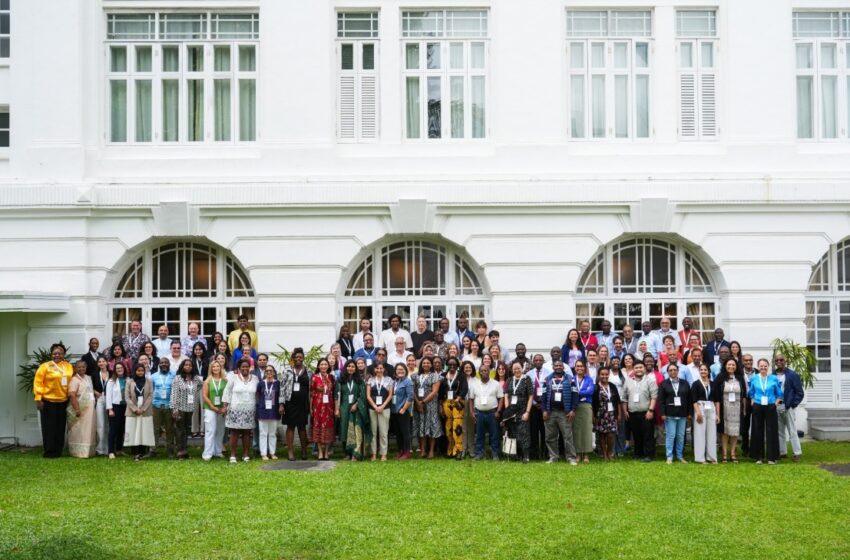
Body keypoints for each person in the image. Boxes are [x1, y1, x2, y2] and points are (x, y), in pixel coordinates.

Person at [34, 343, 74, 459]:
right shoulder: (44, 366)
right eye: (55, 353)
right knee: (49, 427)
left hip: (63, 401)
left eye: (60, 353)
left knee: (60, 427)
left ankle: (58, 450)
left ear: (63, 354)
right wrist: (38, 399)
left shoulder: (68, 366)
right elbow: (38, 383)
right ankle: (49, 451)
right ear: (51, 354)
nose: (57, 355)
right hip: (48, 401)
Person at [221, 358, 259, 463]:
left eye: (247, 366)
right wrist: (225, 406)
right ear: (239, 368)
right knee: (234, 432)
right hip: (235, 409)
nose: (245, 368)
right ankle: (233, 455)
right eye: (243, 367)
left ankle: (245, 454)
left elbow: (258, 394)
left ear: (250, 368)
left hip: (249, 410)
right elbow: (227, 392)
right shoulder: (233, 378)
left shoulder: (255, 379)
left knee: (247, 433)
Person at [748, 358, 784, 465]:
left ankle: (771, 457)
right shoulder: (754, 378)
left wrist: (776, 403)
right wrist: (752, 400)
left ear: (768, 367)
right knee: (757, 430)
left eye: (765, 366)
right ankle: (758, 457)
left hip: (770, 406)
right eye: (761, 366)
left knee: (771, 431)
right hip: (758, 406)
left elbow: (779, 393)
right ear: (758, 367)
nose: (763, 368)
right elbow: (751, 392)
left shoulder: (773, 378)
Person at [620, 363, 657, 462]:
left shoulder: (650, 381)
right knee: (636, 435)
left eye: (640, 367)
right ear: (633, 369)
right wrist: (625, 411)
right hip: (632, 413)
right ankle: (638, 454)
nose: (638, 369)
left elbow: (654, 397)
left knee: (648, 435)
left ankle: (648, 455)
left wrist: (651, 410)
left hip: (646, 412)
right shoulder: (628, 381)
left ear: (644, 369)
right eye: (636, 368)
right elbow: (624, 398)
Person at [543, 360, 578, 465]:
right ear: (553, 367)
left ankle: (571, 458)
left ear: (563, 367)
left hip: (565, 412)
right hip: (551, 412)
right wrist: (544, 410)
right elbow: (543, 396)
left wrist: (573, 410)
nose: (558, 367)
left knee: (567, 436)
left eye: (560, 365)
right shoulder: (547, 379)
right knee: (550, 436)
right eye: (556, 365)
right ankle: (553, 457)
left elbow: (575, 395)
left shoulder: (570, 379)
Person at [336, 360, 370, 461]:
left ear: (355, 369)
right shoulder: (340, 380)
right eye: (349, 366)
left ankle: (355, 452)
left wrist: (356, 404)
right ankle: (346, 453)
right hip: (344, 407)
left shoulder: (359, 381)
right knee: (344, 429)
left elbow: (363, 395)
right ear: (345, 368)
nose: (350, 368)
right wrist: (337, 409)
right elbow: (337, 396)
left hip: (356, 408)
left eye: (353, 367)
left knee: (356, 429)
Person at [714, 357, 746, 463]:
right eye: (729, 364)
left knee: (735, 431)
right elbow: (716, 397)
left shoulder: (740, 378)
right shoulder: (720, 377)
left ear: (736, 366)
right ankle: (724, 453)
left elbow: (744, 395)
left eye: (733, 365)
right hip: (724, 408)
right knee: (725, 431)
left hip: (737, 408)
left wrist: (744, 409)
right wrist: (717, 412)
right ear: (725, 366)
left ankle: (732, 453)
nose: (731, 366)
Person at [773, 353, 804, 462]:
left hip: (788, 406)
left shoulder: (792, 375)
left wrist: (792, 404)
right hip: (776, 406)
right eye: (777, 360)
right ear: (775, 362)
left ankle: (797, 453)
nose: (779, 362)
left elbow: (799, 392)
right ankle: (782, 452)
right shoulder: (772, 375)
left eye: (781, 360)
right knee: (779, 431)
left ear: (785, 361)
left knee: (792, 431)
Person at [468, 365, 504, 460]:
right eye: (482, 371)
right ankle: (479, 453)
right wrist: (472, 412)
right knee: (479, 435)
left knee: (494, 435)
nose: (484, 372)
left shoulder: (496, 384)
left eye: (486, 370)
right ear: (479, 373)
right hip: (479, 413)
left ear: (489, 372)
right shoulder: (474, 385)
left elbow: (501, 398)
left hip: (492, 413)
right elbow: (471, 399)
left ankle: (495, 454)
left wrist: (498, 411)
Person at [658, 363, 691, 464]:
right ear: (667, 372)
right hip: (669, 414)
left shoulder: (685, 383)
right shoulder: (664, 384)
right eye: (670, 370)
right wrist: (663, 413)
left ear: (678, 371)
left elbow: (689, 399)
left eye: (674, 370)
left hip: (682, 413)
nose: (673, 372)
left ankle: (680, 456)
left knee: (680, 435)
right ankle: (669, 456)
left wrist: (689, 413)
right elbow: (661, 400)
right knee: (671, 435)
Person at [171, 359, 203, 460]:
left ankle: (185, 450)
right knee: (180, 430)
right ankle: (179, 451)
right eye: (186, 365)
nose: (188, 366)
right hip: (180, 407)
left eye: (190, 365)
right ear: (182, 366)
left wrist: (192, 395)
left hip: (190, 407)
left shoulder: (196, 379)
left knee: (187, 429)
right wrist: (174, 408)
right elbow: (174, 393)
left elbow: (200, 386)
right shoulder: (178, 378)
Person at [282, 348, 310, 460]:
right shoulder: (287, 370)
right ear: (293, 358)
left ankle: (304, 451)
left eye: (300, 357)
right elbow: (282, 387)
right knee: (290, 426)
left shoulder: (308, 371)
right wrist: (281, 404)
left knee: (302, 427)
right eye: (296, 357)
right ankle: (290, 451)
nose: (299, 358)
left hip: (303, 403)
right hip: (290, 403)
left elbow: (310, 388)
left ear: (303, 358)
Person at [413, 357, 443, 458]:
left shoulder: (435, 376)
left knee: (431, 427)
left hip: (431, 406)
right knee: (421, 426)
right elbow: (412, 390)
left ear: (431, 365)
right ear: (421, 365)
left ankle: (431, 451)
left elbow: (434, 391)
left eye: (428, 363)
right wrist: (418, 402)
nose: (425, 364)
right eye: (424, 363)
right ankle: (423, 450)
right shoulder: (416, 376)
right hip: (418, 406)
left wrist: (423, 402)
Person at [124, 364, 155, 462]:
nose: (140, 372)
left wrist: (143, 408)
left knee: (144, 430)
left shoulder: (149, 381)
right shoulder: (130, 381)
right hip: (133, 410)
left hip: (145, 410)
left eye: (142, 370)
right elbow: (127, 397)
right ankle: (135, 452)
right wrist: (135, 409)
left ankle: (143, 452)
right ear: (135, 371)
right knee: (133, 430)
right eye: (138, 370)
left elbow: (150, 395)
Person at [66, 361, 97, 458]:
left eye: (83, 367)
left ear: (86, 368)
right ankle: (78, 452)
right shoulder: (74, 380)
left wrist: (97, 393)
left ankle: (89, 452)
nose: (81, 369)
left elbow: (90, 390)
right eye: (79, 367)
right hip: (80, 408)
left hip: (90, 410)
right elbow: (72, 395)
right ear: (75, 368)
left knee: (89, 429)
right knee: (78, 429)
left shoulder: (88, 378)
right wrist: (77, 410)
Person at [691, 363, 719, 464]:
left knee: (711, 434)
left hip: (711, 407)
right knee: (699, 433)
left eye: (705, 370)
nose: (703, 371)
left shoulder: (713, 384)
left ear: (708, 371)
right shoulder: (695, 384)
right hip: (700, 406)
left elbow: (717, 400)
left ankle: (711, 457)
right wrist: (698, 413)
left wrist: (717, 415)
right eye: (701, 370)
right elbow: (693, 400)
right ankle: (700, 458)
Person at [440, 357, 468, 460]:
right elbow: (440, 391)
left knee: (457, 427)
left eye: (454, 365)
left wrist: (459, 398)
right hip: (446, 402)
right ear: (447, 365)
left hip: (457, 403)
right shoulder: (443, 376)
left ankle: (459, 450)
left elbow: (465, 388)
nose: (452, 367)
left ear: (457, 366)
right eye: (450, 365)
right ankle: (450, 448)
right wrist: (440, 406)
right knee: (448, 427)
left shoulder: (461, 376)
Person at [592, 366, 621, 461]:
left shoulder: (612, 386)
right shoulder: (595, 387)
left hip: (612, 414)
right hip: (600, 414)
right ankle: (604, 454)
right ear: (599, 375)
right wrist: (593, 416)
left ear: (608, 375)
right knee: (601, 435)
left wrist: (619, 414)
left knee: (610, 435)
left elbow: (618, 401)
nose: (604, 376)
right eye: (602, 374)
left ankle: (609, 452)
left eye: (606, 374)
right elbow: (593, 403)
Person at [366, 362, 393, 461]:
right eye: (377, 368)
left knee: (383, 432)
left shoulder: (388, 380)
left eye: (381, 368)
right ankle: (373, 453)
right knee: (373, 432)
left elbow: (390, 395)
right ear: (374, 370)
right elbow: (368, 395)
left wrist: (382, 406)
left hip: (384, 409)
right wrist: (375, 406)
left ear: (384, 369)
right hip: (372, 409)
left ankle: (383, 453)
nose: (379, 370)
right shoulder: (370, 380)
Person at [310, 358, 336, 460]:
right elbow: (311, 393)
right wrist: (311, 408)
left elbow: (334, 393)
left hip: (329, 406)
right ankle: (320, 451)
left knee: (328, 427)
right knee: (318, 427)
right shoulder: (314, 377)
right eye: (322, 364)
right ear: (318, 366)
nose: (324, 366)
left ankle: (326, 452)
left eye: (326, 364)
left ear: (328, 366)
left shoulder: (332, 377)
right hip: (317, 405)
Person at [201, 360, 227, 461]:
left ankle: (218, 451)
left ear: (220, 368)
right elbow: (204, 396)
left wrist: (224, 407)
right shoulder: (207, 381)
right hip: (210, 409)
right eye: (213, 367)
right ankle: (207, 453)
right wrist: (212, 407)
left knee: (220, 431)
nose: (216, 368)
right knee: (210, 430)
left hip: (221, 409)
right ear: (211, 368)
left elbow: (227, 395)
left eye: (217, 366)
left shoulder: (225, 381)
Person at [526, 354, 550, 460]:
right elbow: (527, 391)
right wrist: (535, 403)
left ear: (543, 361)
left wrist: (544, 404)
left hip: (545, 407)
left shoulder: (549, 373)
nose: (538, 361)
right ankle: (534, 455)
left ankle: (545, 454)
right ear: (533, 362)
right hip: (533, 407)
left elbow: (550, 390)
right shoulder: (528, 374)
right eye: (536, 360)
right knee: (533, 431)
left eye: (540, 360)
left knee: (545, 431)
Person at [151, 357, 176, 458]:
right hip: (156, 405)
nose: (164, 364)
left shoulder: (174, 375)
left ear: (169, 364)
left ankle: (170, 450)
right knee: (155, 428)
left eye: (166, 362)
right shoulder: (153, 376)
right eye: (162, 363)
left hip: (169, 405)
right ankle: (153, 449)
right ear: (159, 365)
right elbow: (151, 390)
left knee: (170, 429)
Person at [572, 359, 595, 463]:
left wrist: (577, 392)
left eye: (581, 366)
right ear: (575, 368)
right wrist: (581, 392)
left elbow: (590, 391)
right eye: (577, 366)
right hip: (575, 407)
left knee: (586, 430)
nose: (579, 368)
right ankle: (577, 454)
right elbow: (570, 391)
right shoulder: (572, 379)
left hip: (586, 406)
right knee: (576, 430)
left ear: (584, 368)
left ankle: (586, 454)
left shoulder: (589, 379)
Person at [256, 364, 281, 460]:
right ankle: (263, 453)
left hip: (274, 411)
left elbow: (280, 396)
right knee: (263, 433)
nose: (269, 372)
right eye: (267, 371)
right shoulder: (261, 384)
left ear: (274, 372)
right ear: (265, 373)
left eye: (271, 371)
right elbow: (258, 396)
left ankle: (272, 452)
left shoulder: (277, 383)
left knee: (272, 433)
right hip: (263, 411)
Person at [105, 362, 128, 459]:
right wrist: (110, 409)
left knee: (121, 429)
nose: (119, 370)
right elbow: (108, 396)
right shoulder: (111, 381)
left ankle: (119, 450)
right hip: (115, 407)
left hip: (126, 407)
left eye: (121, 368)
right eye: (117, 368)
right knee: (113, 430)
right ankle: (110, 451)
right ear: (115, 370)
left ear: (124, 369)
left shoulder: (128, 379)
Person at [392, 362, 414, 460]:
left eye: (402, 369)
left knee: (405, 432)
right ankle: (401, 450)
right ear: (395, 372)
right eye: (398, 370)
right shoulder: (395, 382)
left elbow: (410, 397)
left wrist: (404, 408)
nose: (400, 371)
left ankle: (407, 452)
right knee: (398, 432)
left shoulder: (408, 382)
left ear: (405, 370)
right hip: (394, 411)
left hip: (403, 411)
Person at [92, 357, 111, 456]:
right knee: (100, 424)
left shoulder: (112, 373)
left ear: (107, 362)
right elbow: (90, 387)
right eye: (99, 362)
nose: (101, 363)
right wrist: (95, 392)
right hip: (99, 399)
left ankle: (109, 448)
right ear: (97, 363)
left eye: (103, 361)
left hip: (110, 399)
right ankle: (100, 449)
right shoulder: (94, 375)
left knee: (109, 423)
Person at [189, 341, 208, 438]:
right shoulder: (191, 360)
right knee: (194, 407)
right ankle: (194, 429)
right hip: (194, 384)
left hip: (204, 384)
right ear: (193, 350)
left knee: (203, 408)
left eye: (200, 349)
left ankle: (203, 430)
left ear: (203, 350)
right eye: (196, 349)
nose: (198, 351)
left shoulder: (207, 360)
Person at [740, 353, 758, 454]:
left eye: (750, 360)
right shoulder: (739, 373)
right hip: (745, 400)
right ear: (743, 361)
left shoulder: (758, 372)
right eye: (746, 360)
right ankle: (745, 448)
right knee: (745, 426)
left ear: (752, 361)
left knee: (756, 425)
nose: (748, 362)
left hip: (756, 401)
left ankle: (755, 448)